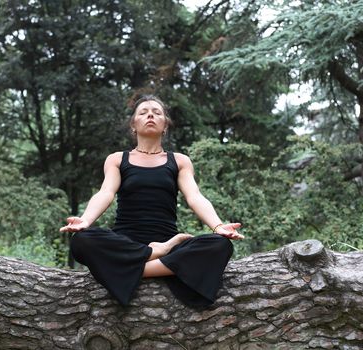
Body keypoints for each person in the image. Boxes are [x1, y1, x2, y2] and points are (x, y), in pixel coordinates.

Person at [60, 95, 243, 308]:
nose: (150, 115)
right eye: (143, 112)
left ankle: (131, 268)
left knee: (220, 245)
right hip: (125, 243)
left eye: (157, 112)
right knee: (82, 241)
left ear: (165, 125)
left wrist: (218, 225)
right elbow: (105, 193)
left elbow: (194, 197)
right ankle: (156, 257)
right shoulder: (118, 159)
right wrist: (85, 220)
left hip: (167, 241)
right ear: (133, 125)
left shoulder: (180, 161)